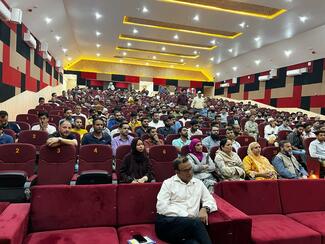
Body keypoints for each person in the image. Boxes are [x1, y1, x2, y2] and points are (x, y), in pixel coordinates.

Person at [155, 157, 217, 244]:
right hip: (168, 223)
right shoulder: (168, 183)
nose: (190, 172)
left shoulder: (198, 183)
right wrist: (186, 215)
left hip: (188, 227)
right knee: (196, 222)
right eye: (186, 170)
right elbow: (162, 207)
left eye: (190, 168)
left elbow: (209, 199)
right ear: (177, 172)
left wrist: (205, 208)